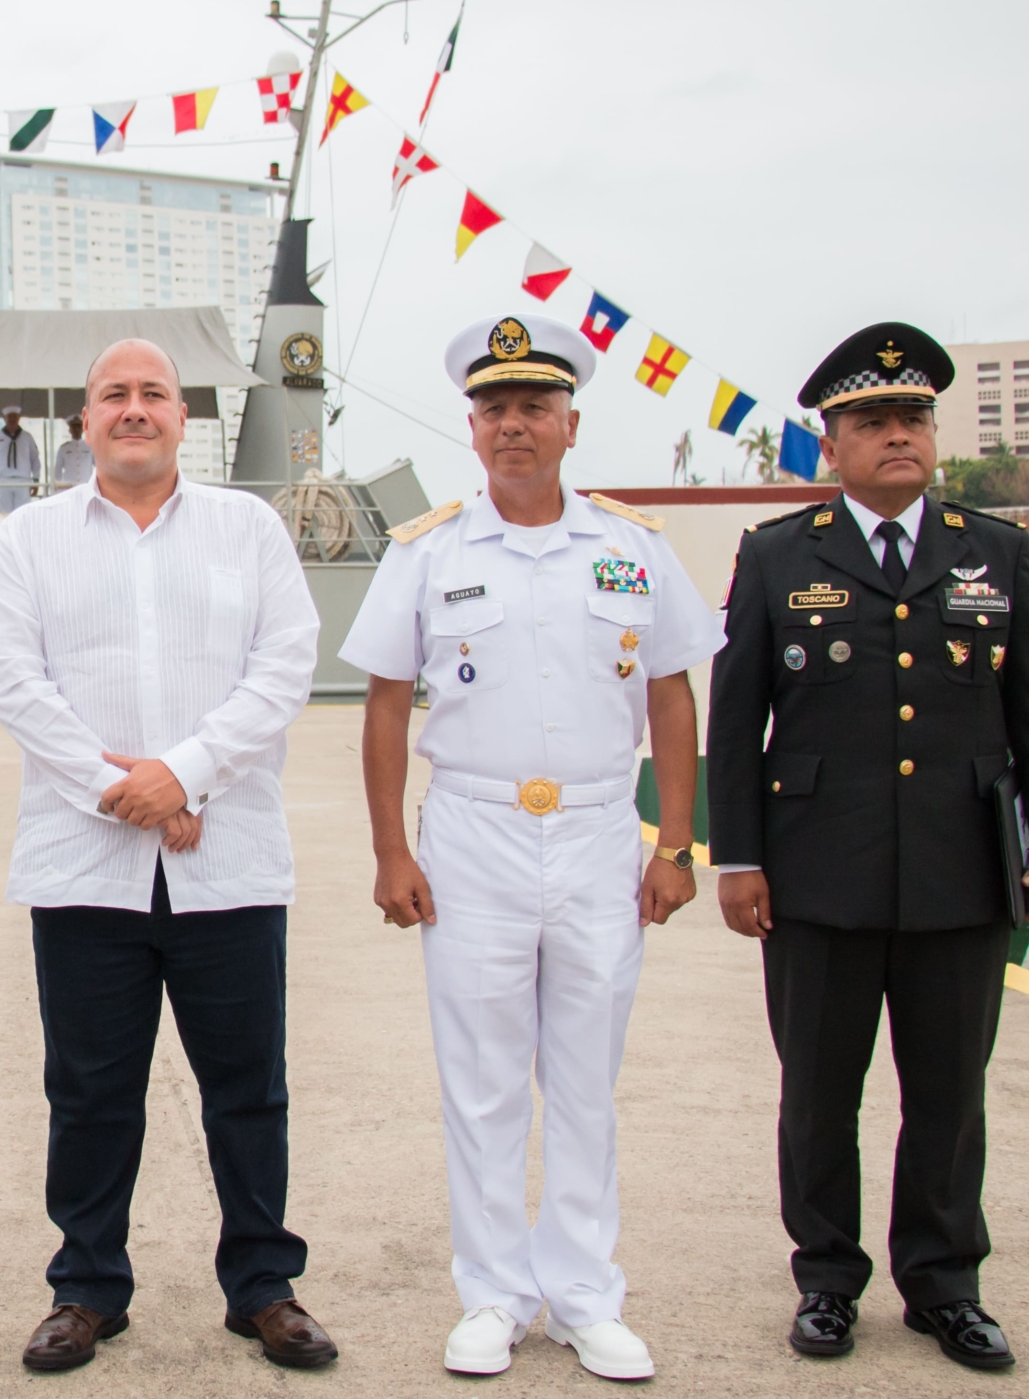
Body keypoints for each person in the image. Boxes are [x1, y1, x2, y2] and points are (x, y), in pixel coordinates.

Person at [340, 315, 718, 1383]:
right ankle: (495, 1295)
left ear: (570, 424)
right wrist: (388, 849)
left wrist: (675, 842)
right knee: (483, 1079)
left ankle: (585, 1293)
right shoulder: (429, 550)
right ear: (473, 428)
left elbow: (673, 695)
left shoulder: (632, 547)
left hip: (602, 831)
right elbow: (381, 704)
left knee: (586, 1074)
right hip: (470, 831)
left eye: (534, 407)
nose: (515, 425)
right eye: (497, 409)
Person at [707, 322, 1029, 1372]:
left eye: (911, 416)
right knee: (820, 1091)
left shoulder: (993, 549)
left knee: (949, 1091)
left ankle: (943, 1281)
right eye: (871, 421)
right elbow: (739, 724)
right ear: (831, 443)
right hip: (817, 873)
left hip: (963, 870)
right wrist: (737, 858)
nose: (897, 436)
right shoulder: (780, 553)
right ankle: (826, 1276)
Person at [0, 338, 332, 1374]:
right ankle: (86, 1286)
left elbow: (282, 668)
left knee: (248, 1086)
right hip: (84, 865)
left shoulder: (248, 529)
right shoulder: (30, 538)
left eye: (153, 393)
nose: (133, 408)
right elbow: (10, 678)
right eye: (112, 394)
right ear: (83, 420)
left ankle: (262, 1283)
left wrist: (185, 771)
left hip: (226, 861)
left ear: (185, 416)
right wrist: (121, 788)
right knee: (88, 1088)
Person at [0, 404, 40, 513]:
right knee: (4, 516)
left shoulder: (27, 437)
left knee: (22, 514)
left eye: (14, 417)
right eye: (9, 417)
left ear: (19, 418)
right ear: (5, 419)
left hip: (23, 481)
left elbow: (35, 459)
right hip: (2, 481)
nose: (12, 419)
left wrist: (36, 479)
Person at [52, 413, 93, 488]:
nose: (76, 430)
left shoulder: (90, 447)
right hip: (69, 487)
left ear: (83, 429)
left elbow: (99, 466)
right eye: (74, 427)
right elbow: (58, 469)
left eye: (78, 427)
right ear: (70, 430)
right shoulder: (63, 448)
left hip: (86, 486)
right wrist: (57, 485)